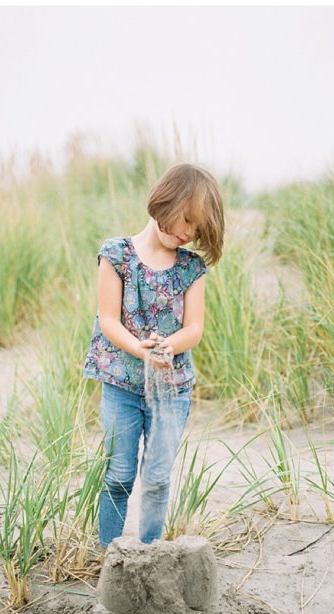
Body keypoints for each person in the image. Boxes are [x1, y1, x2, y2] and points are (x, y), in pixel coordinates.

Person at [82, 162, 225, 548]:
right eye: (187, 220)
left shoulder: (190, 268)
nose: (188, 233)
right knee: (119, 473)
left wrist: (166, 347)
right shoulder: (116, 255)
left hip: (171, 389)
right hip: (121, 385)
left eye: (197, 229)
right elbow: (109, 320)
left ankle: (149, 552)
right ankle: (111, 554)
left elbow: (194, 328)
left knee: (158, 476)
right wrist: (140, 349)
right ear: (166, 201)